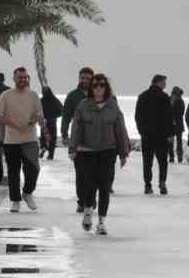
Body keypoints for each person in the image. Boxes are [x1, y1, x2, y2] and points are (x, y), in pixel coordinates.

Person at [67, 73, 131, 234]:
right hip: (87, 151)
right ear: (91, 88)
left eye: (102, 85)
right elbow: (76, 128)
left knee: (104, 187)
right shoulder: (83, 105)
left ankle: (101, 222)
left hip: (108, 151)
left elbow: (120, 129)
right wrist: (73, 148)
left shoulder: (113, 106)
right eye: (95, 85)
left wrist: (123, 153)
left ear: (106, 87)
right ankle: (88, 210)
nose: (98, 88)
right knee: (89, 184)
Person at [0, 66, 45, 213]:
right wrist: (14, 124)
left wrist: (38, 121)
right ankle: (15, 201)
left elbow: (40, 114)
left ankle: (27, 192)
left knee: (33, 169)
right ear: (14, 78)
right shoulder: (6, 95)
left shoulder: (33, 95)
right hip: (11, 140)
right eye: (20, 77)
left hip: (30, 139)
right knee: (13, 171)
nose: (23, 80)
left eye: (25, 77)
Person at [134, 73, 174, 195]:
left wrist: (141, 131)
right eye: (164, 83)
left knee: (147, 162)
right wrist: (170, 134)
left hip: (147, 136)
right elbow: (169, 117)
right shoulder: (164, 97)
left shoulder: (142, 96)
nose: (165, 85)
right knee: (163, 162)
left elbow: (138, 117)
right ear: (158, 82)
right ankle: (162, 182)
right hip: (161, 136)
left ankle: (148, 185)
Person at [62, 67, 94, 213]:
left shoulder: (99, 95)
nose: (85, 81)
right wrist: (64, 134)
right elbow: (66, 116)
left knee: (95, 174)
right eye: (83, 78)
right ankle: (82, 201)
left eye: (88, 78)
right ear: (79, 78)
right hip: (79, 140)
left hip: (97, 141)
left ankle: (91, 200)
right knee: (81, 173)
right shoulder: (73, 96)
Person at [40, 86, 63, 160]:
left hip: (44, 122)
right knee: (52, 139)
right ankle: (50, 154)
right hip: (52, 121)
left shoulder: (41, 100)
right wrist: (55, 116)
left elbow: (37, 111)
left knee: (43, 137)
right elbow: (61, 110)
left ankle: (44, 147)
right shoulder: (55, 100)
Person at [169, 86, 187, 164]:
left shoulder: (170, 100)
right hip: (177, 124)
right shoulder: (180, 101)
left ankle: (173, 157)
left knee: (172, 142)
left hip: (172, 124)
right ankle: (177, 158)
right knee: (176, 142)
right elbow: (182, 113)